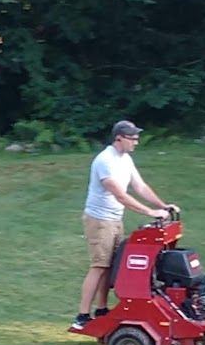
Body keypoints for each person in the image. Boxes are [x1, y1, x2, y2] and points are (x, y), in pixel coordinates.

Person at [72, 120, 179, 330]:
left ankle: (101, 310)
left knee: (110, 267)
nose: (136, 142)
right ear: (119, 138)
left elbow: (140, 186)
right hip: (99, 220)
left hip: (114, 219)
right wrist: (150, 212)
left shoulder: (125, 159)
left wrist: (162, 206)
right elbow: (121, 196)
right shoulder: (105, 161)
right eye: (133, 138)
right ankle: (82, 316)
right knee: (98, 267)